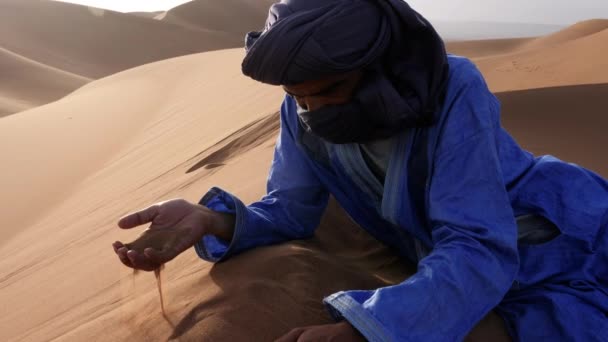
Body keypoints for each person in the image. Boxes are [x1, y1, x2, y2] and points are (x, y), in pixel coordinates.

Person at [112, 0, 608, 341]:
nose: (312, 106)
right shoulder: (304, 109)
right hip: (457, 262)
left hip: (564, 241)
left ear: (383, 66)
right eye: (296, 94)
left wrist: (372, 328)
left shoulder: (452, 86)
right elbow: (290, 209)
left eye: (329, 90)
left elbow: (478, 242)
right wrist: (210, 219)